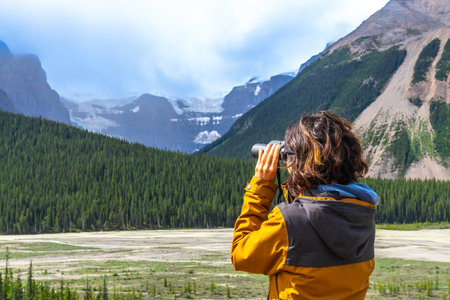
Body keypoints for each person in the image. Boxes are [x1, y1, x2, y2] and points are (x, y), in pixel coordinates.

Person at [231, 111, 379, 300]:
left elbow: (240, 254)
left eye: (289, 156)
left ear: (302, 162)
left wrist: (261, 186)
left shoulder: (289, 222)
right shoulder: (363, 213)